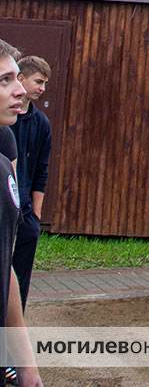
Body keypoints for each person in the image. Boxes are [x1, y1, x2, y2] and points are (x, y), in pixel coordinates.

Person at [0, 39, 43, 387]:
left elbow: (5, 270)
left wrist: (27, 366)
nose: (21, 91)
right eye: (4, 81)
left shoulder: (4, 155)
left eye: (18, 78)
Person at [11, 58, 52, 312]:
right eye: (38, 81)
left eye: (45, 83)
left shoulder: (42, 124)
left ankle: (15, 322)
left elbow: (41, 171)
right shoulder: (7, 119)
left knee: (21, 274)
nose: (42, 88)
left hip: (25, 208)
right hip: (6, 204)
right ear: (21, 79)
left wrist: (36, 215)